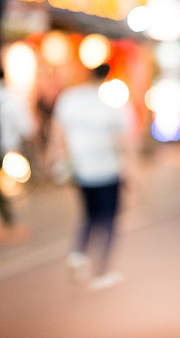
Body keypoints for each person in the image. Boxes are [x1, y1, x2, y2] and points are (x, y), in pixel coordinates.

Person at [48, 63, 138, 290]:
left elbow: (57, 131)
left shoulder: (69, 99)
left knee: (89, 213)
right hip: (108, 170)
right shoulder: (112, 103)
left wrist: (54, 156)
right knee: (108, 218)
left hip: (82, 169)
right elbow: (124, 140)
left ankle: (78, 254)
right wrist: (132, 170)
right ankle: (102, 271)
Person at [0, 64, 35, 244]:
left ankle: (7, 223)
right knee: (9, 190)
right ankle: (9, 224)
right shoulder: (12, 99)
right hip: (7, 151)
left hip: (6, 151)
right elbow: (26, 128)